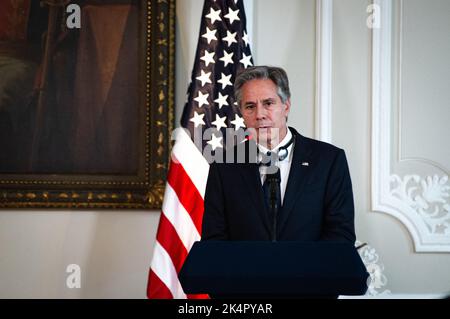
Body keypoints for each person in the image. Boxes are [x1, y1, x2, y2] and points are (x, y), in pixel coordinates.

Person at [201, 66, 355, 243]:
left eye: (268, 103)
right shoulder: (223, 167)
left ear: (286, 106)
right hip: (245, 271)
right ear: (242, 113)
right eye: (250, 106)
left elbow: (341, 236)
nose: (259, 115)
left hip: (310, 270)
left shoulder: (329, 161)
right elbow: (214, 242)